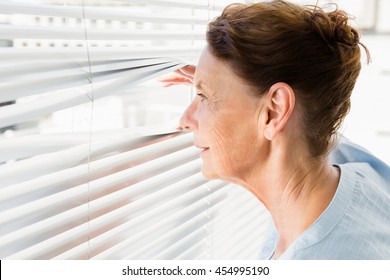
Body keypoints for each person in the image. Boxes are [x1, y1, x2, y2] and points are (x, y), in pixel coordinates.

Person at [159, 0, 390, 259]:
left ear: (274, 111)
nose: (185, 120)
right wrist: (215, 87)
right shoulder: (356, 175)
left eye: (202, 97)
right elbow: (310, 124)